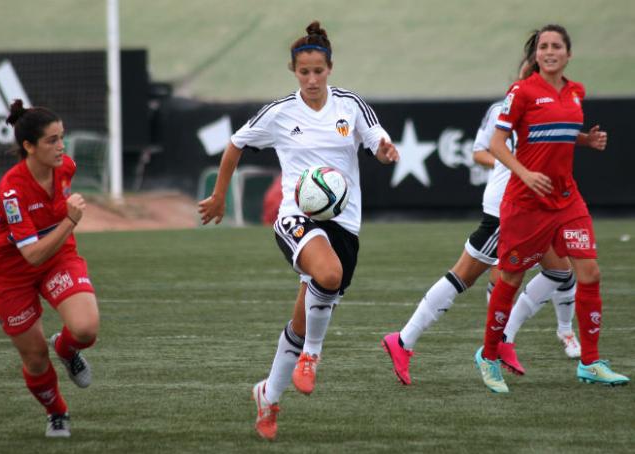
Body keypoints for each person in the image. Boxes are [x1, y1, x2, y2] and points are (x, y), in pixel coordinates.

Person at [198, 21, 399, 440]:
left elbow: (378, 142)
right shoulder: (279, 113)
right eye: (304, 72)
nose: (311, 79)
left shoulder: (350, 106)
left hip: (343, 223)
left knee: (303, 317)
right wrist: (219, 197)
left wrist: (385, 151)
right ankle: (312, 357)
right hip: (296, 217)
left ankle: (267, 398)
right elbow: (236, 143)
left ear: (330, 68)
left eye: (318, 71)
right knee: (328, 276)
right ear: (293, 70)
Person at [380, 66, 579, 384]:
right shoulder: (515, 107)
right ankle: (403, 341)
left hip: (532, 208)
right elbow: (487, 150)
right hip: (508, 209)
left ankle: (505, 341)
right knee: (463, 276)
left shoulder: (549, 107)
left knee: (559, 271)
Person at [475, 24, 629, 393]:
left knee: (589, 273)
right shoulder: (522, 91)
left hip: (566, 198)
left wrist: (585, 141)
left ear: (568, 53)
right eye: (543, 46)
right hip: (526, 202)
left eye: (556, 46)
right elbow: (496, 143)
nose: (549, 51)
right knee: (510, 280)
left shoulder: (576, 92)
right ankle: (489, 355)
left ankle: (590, 362)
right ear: (537, 55)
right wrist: (525, 174)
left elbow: (556, 131)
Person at [0, 100, 100, 436]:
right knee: (34, 358)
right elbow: (31, 255)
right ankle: (57, 412)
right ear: (28, 147)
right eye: (51, 140)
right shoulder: (12, 190)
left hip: (58, 257)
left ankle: (65, 348)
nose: (61, 146)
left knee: (85, 329)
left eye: (62, 137)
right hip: (11, 273)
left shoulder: (67, 167)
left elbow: (47, 250)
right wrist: (70, 221)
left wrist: (64, 228)